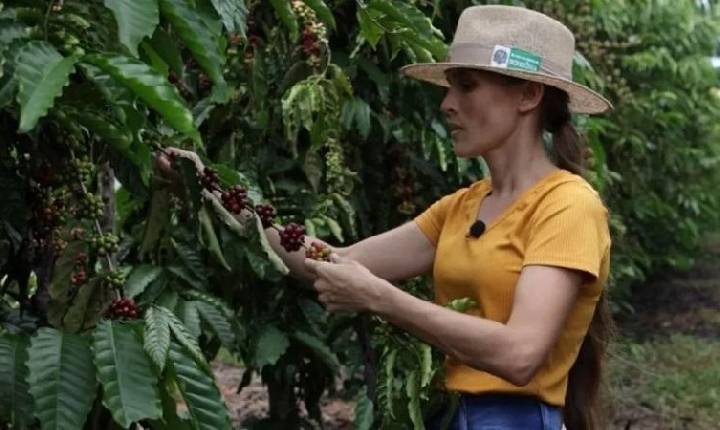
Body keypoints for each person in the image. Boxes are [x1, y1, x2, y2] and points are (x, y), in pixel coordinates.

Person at [156, 5, 614, 430]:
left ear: (529, 94)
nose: (447, 103)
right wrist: (212, 195)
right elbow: (331, 261)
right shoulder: (462, 207)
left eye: (467, 85)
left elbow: (520, 354)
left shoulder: (568, 206)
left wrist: (382, 299)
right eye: (450, 86)